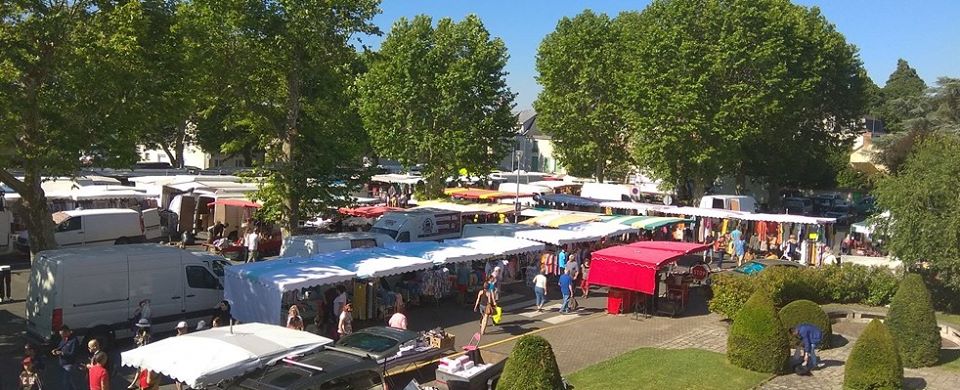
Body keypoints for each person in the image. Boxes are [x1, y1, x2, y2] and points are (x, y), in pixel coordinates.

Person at [52, 326, 80, 390]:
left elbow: (73, 353)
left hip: (69, 364)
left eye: (63, 335)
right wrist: (56, 350)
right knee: (69, 383)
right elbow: (61, 347)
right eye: (61, 335)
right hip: (62, 364)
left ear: (67, 332)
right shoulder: (64, 339)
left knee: (66, 383)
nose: (62, 337)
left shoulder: (74, 341)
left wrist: (61, 353)